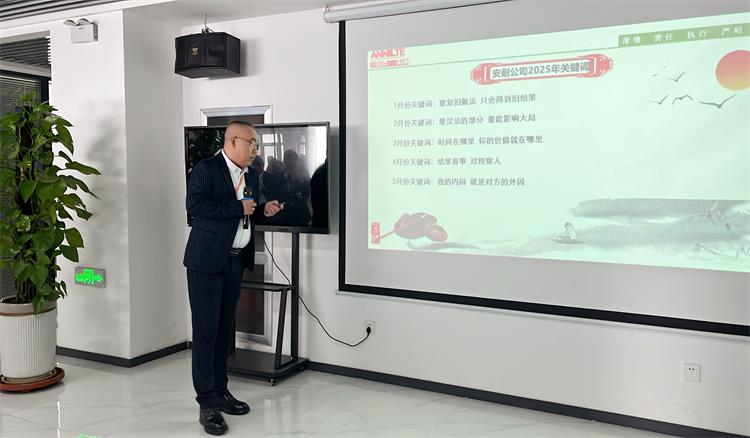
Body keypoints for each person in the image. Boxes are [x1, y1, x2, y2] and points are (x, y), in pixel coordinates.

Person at [183, 121, 281, 435]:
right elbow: (195, 206)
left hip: (235, 262)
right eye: (253, 143)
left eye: (257, 144)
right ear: (233, 141)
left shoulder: (250, 174)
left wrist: (262, 210)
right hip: (206, 262)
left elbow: (247, 211)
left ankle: (221, 392)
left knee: (225, 332)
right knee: (206, 332)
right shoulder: (207, 168)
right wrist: (238, 207)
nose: (256, 150)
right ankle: (207, 403)